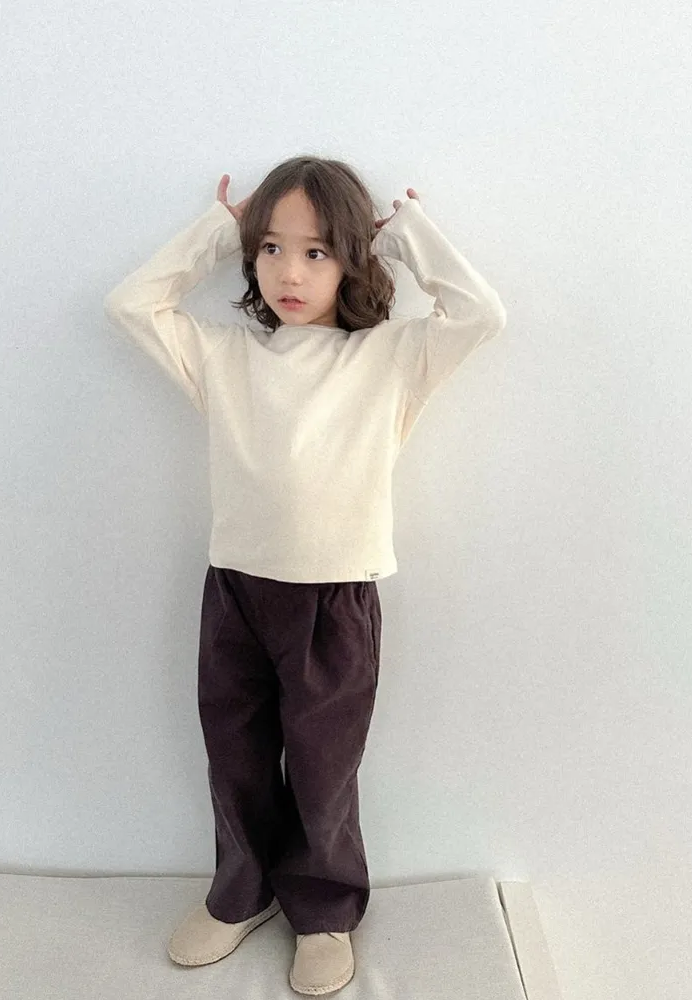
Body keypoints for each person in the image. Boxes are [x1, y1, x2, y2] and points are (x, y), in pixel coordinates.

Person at [103, 155, 506, 995]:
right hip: (236, 593)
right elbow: (131, 305)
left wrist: (406, 237)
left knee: (324, 770)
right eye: (272, 249)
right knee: (237, 756)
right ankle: (242, 892)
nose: (290, 272)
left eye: (318, 251)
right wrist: (221, 230)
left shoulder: (390, 359)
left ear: (352, 258)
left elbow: (482, 314)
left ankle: (323, 910)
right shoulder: (225, 358)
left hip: (334, 597)